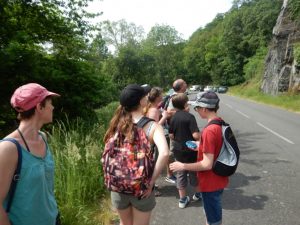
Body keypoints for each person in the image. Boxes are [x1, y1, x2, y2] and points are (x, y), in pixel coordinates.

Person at [104, 84, 169, 225]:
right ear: (141, 101)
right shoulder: (152, 126)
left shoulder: (116, 123)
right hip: (141, 188)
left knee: (124, 222)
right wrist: (151, 182)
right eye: (145, 96)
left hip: (118, 185)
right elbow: (164, 153)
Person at [0, 83, 60, 225]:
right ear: (39, 107)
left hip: (53, 219)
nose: (53, 107)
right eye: (50, 103)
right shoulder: (8, 148)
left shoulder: (43, 137)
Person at [170, 91, 229, 225]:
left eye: (197, 108)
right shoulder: (220, 123)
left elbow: (206, 164)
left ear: (204, 108)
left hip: (210, 182)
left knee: (213, 219)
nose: (195, 110)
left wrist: (182, 166)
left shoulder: (209, 131)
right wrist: (201, 146)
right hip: (219, 178)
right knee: (213, 215)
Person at [168, 93, 200, 208]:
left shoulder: (173, 118)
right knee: (194, 172)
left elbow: (171, 135)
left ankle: (182, 199)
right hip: (191, 150)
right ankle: (197, 194)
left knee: (180, 173)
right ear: (185, 104)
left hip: (178, 150)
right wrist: (202, 137)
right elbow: (195, 135)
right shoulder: (190, 117)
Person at [144, 87, 169, 196]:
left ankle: (150, 185)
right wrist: (164, 117)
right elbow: (154, 127)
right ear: (158, 97)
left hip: (147, 141)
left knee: (149, 164)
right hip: (150, 142)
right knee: (150, 164)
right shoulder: (154, 110)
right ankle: (151, 188)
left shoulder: (150, 107)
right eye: (161, 94)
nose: (163, 96)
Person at [165, 78, 188, 184]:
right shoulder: (174, 97)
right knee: (172, 152)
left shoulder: (181, 95)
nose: (186, 84)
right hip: (174, 129)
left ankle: (182, 169)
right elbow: (169, 112)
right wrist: (183, 111)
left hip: (180, 128)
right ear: (180, 86)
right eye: (184, 83)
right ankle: (169, 174)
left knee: (181, 148)